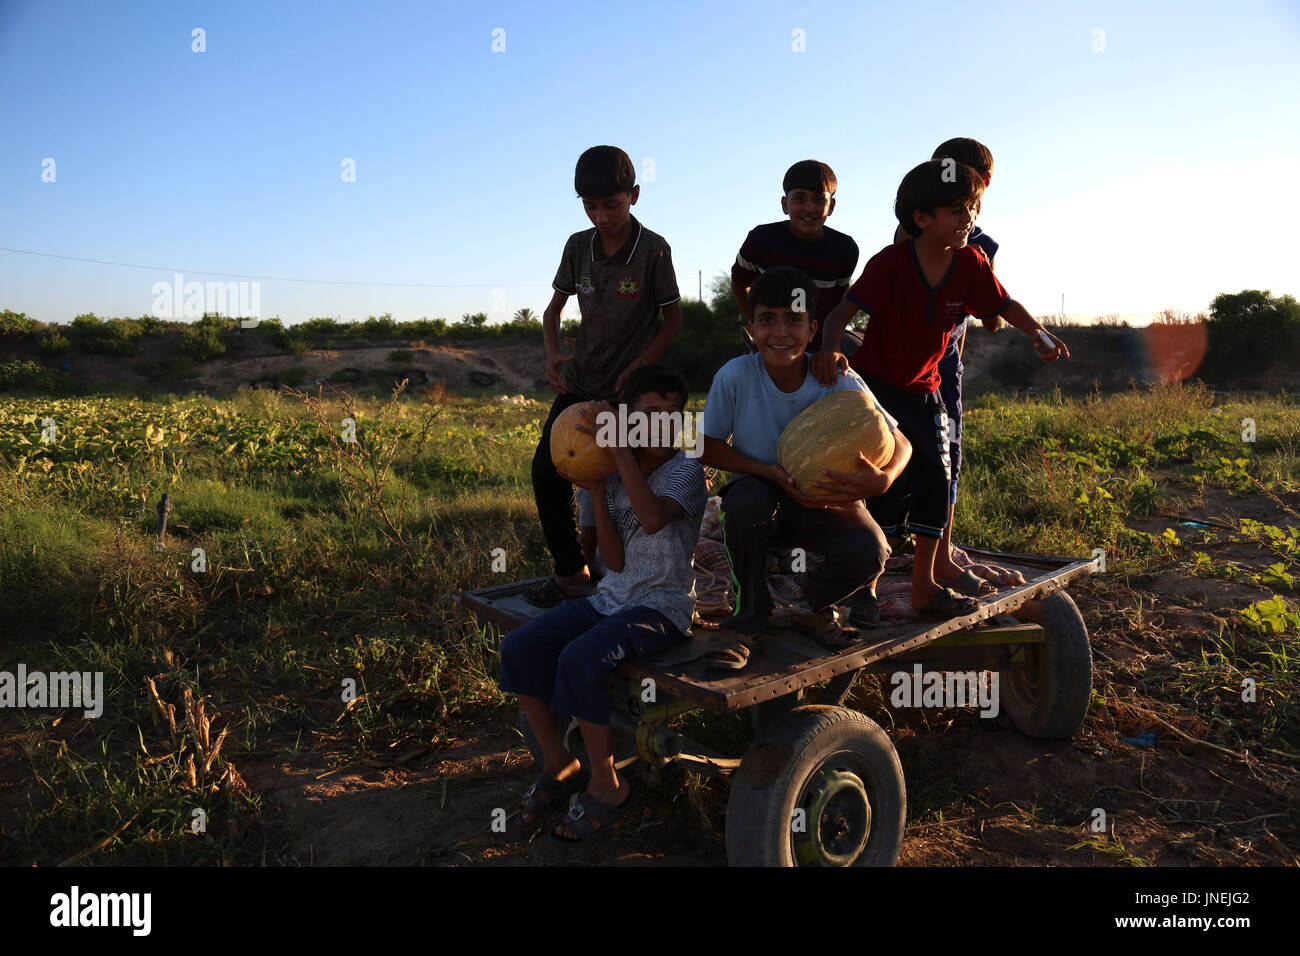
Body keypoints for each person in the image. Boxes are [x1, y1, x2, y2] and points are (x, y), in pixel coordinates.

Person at [815, 160, 1069, 617]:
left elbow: (1003, 303)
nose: (969, 217)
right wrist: (831, 352)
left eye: (971, 207)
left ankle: (924, 588)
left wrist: (1037, 332)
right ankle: (867, 587)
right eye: (957, 209)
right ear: (922, 218)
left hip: (926, 390)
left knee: (936, 474)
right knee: (883, 489)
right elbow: (839, 314)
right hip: (876, 393)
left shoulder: (971, 263)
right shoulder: (890, 263)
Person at [500, 365, 707, 844]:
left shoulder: (687, 470)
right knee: (519, 648)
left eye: (673, 413)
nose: (663, 421)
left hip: (662, 609)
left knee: (580, 658)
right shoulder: (612, 475)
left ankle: (607, 785)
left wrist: (617, 455)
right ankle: (559, 762)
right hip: (611, 599)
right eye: (651, 411)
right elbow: (610, 560)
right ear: (628, 415)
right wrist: (595, 488)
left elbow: (653, 519)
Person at [699, 266, 912, 670]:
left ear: (813, 329)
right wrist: (770, 471)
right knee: (743, 505)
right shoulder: (736, 376)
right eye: (767, 320)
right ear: (751, 329)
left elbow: (900, 441)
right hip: (761, 496)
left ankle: (811, 607)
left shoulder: (836, 377)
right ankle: (747, 620)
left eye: (793, 320)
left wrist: (884, 478)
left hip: (828, 500)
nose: (780, 332)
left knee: (871, 550)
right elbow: (704, 447)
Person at [525, 146, 683, 608]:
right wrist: (554, 354)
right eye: (590, 207)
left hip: (628, 393)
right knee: (547, 472)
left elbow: (672, 321)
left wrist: (642, 364)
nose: (601, 216)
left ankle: (638, 580)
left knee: (624, 481)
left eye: (610, 205)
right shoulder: (578, 247)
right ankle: (573, 572)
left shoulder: (653, 250)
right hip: (579, 384)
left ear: (633, 195)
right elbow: (552, 311)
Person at [886, 137, 1004, 596]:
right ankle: (916, 554)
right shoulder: (924, 233)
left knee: (942, 457)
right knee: (916, 453)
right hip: (915, 364)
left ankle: (940, 555)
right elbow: (988, 314)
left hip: (940, 363)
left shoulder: (977, 243)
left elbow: (990, 312)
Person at [730, 160, 860, 354]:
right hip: (771, 350)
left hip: (817, 353)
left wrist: (827, 349)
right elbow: (739, 284)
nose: (809, 208)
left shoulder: (844, 250)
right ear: (785, 204)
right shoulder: (761, 239)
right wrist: (760, 325)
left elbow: (835, 306)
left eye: (818, 199)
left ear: (831, 206)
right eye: (800, 198)